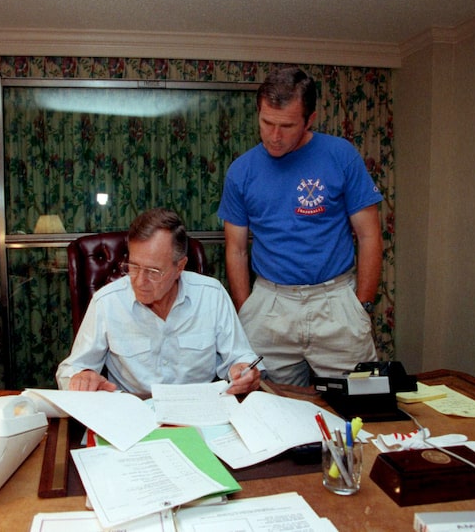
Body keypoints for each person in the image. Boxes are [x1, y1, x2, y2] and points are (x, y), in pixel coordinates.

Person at [217, 66, 383, 387]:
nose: (274, 136)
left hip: (335, 300)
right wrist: (246, 309)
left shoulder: (341, 156)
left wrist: (360, 307)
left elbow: (369, 235)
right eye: (267, 123)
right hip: (270, 303)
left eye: (286, 126)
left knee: (358, 403)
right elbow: (236, 250)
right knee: (264, 407)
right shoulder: (241, 172)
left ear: (310, 120)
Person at [56, 208, 263, 395]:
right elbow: (69, 370)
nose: (139, 281)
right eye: (133, 266)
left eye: (153, 271)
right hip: (133, 414)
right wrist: (80, 377)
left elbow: (240, 358)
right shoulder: (107, 301)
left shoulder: (212, 295)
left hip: (198, 412)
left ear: (180, 267)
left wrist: (243, 371)